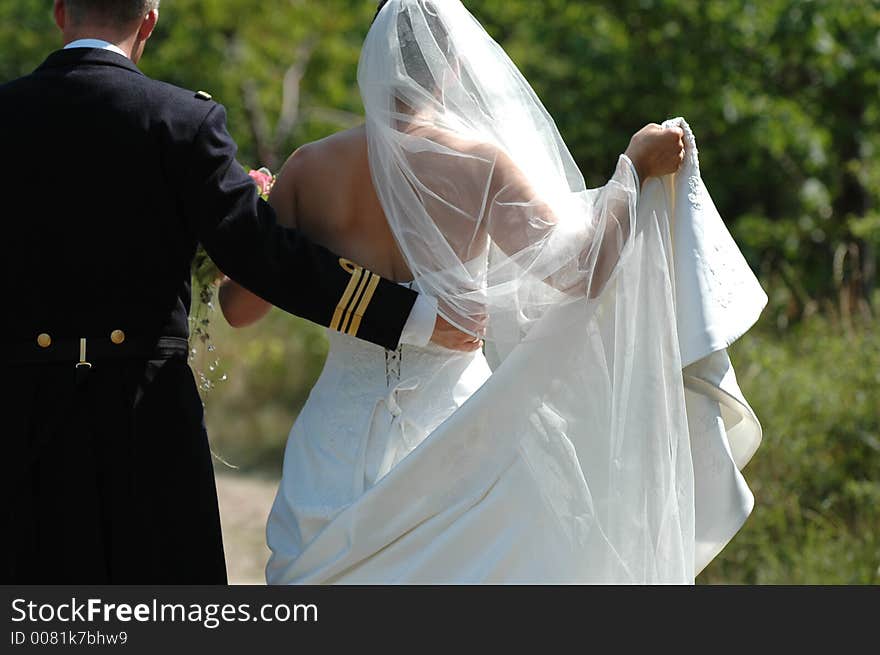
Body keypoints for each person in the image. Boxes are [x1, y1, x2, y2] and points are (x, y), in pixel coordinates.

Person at [218, 0, 728, 584]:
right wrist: (632, 170)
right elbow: (584, 269)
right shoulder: (478, 166)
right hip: (455, 429)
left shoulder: (310, 168)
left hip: (335, 442)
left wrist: (232, 239)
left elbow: (240, 311)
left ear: (374, 60)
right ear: (454, 65)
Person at [0, 0, 479, 585]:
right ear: (148, 21)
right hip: (142, 415)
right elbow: (265, 257)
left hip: (20, 408)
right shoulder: (181, 121)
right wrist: (413, 318)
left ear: (58, 13)